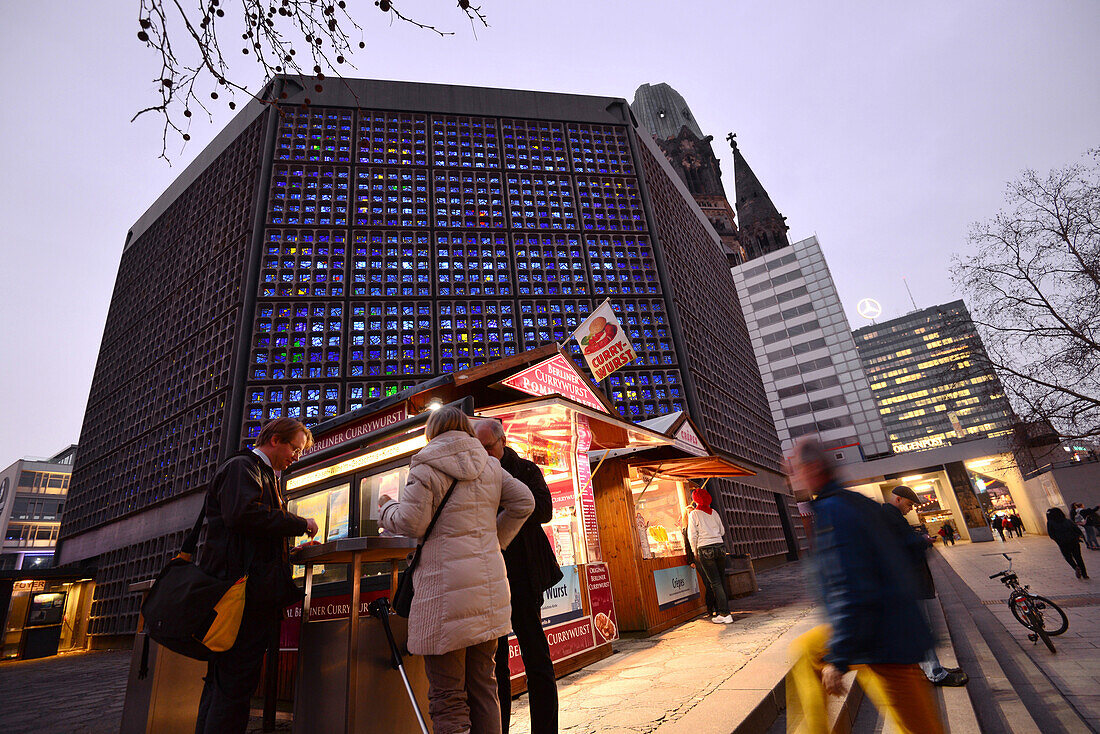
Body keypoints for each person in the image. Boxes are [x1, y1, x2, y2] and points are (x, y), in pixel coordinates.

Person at [379, 407, 534, 734]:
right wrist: (496, 541)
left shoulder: (426, 464)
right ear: (466, 428)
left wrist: (386, 508)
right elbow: (524, 502)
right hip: (488, 592)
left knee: (448, 696)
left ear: (431, 431)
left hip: (443, 594)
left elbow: (410, 523)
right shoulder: (490, 464)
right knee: (484, 688)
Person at [786, 439, 943, 734]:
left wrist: (840, 658)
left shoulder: (835, 511)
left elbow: (853, 587)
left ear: (814, 468)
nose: (794, 479)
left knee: (920, 728)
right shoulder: (853, 503)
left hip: (883, 635)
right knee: (806, 650)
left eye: (796, 470)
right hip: (883, 627)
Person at [195, 418, 319, 734]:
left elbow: (249, 539)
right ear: (275, 440)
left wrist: (286, 554)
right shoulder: (244, 467)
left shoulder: (257, 473)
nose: (296, 456)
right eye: (294, 448)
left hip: (242, 593)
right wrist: (299, 523)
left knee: (224, 683)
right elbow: (242, 515)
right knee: (234, 685)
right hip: (240, 598)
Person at [474, 419, 562, 734]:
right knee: (495, 664)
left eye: (489, 447)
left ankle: (545, 729)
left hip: (525, 574)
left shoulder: (524, 469)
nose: (484, 453)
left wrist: (507, 494)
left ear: (502, 441)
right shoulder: (475, 474)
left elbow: (544, 510)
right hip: (492, 575)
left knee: (536, 658)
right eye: (479, 447)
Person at [881, 486, 968, 687]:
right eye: (909, 504)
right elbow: (900, 547)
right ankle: (935, 673)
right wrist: (921, 541)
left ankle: (928, 669)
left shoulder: (891, 517)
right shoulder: (890, 518)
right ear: (898, 499)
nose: (910, 509)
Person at [686, 485, 734, 624]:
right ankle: (724, 611)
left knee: (715, 582)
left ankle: (725, 614)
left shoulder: (694, 514)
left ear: (695, 500)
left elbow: (692, 535)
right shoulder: (714, 512)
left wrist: (695, 551)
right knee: (721, 580)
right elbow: (722, 531)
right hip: (720, 547)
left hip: (705, 549)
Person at [682, 505, 717, 617]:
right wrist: (690, 561)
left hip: (706, 554)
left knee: (712, 582)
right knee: (708, 583)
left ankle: (714, 607)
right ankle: (711, 607)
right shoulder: (686, 529)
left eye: (693, 512)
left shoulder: (700, 525)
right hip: (697, 558)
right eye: (689, 513)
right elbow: (687, 545)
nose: (691, 514)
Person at [1047, 507, 1089, 580]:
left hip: (1063, 543)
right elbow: (1076, 529)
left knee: (1068, 557)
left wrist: (1058, 540)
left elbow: (1051, 534)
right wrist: (1078, 537)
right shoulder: (1067, 521)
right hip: (1074, 541)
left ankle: (1075, 567)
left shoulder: (1050, 522)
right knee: (1078, 557)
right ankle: (1084, 574)